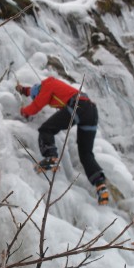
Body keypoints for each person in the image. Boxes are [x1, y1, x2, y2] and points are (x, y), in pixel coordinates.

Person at [16, 76, 109, 205]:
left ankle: (51, 158)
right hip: (91, 112)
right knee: (85, 153)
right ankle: (100, 185)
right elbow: (33, 91)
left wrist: (24, 111)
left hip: (78, 105)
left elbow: (37, 104)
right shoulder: (48, 87)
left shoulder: (47, 85)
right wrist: (23, 90)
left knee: (46, 129)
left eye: (36, 96)